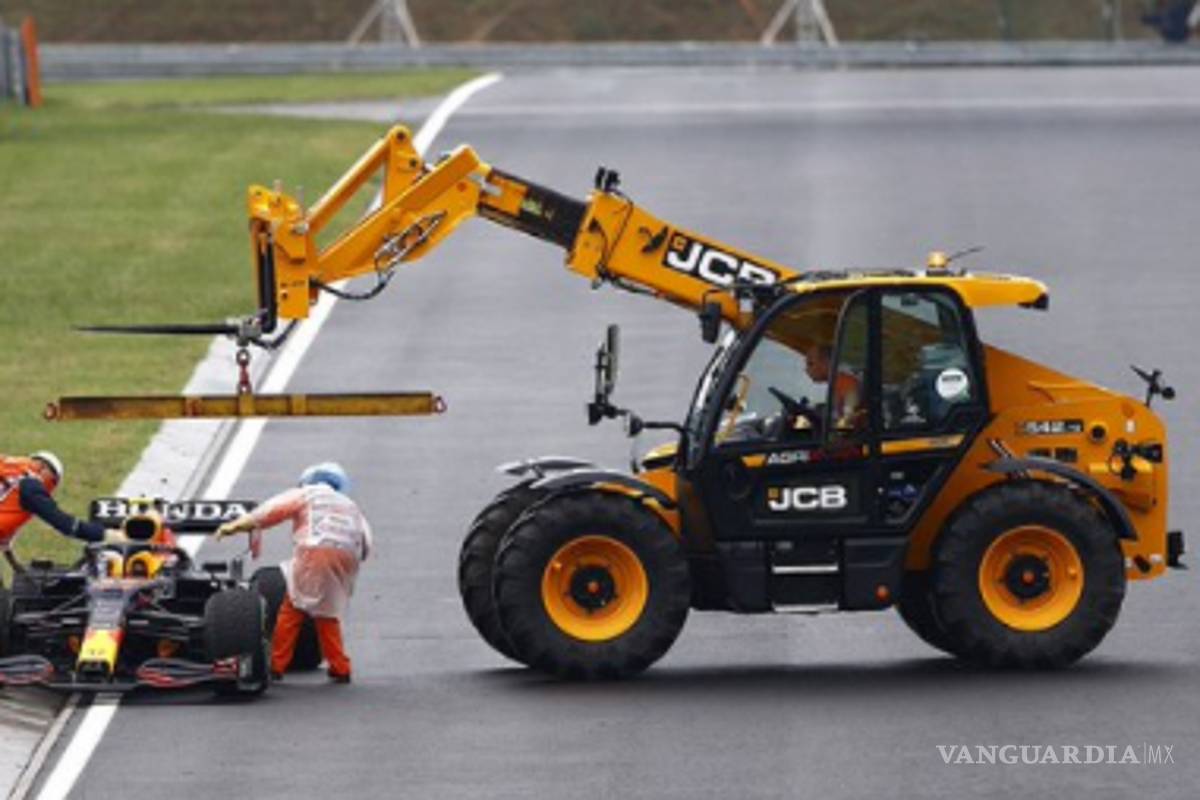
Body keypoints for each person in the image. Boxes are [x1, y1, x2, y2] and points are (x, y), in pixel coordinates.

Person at [216, 462, 371, 684]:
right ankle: (340, 667)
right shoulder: (351, 506)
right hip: (346, 559)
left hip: (314, 551)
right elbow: (366, 544)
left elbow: (270, 512)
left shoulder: (307, 494)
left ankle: (277, 665)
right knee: (327, 613)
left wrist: (237, 525)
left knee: (293, 608)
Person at [0, 452, 123, 568]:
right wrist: (107, 534)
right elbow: (66, 524)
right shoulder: (31, 485)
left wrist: (15, 563)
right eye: (52, 483)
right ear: (44, 468)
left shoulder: (8, 466)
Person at [803, 343, 862, 424]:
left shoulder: (845, 380)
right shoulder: (839, 379)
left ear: (826, 362)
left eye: (810, 364)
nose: (806, 370)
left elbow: (849, 415)